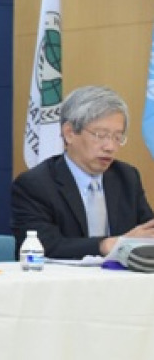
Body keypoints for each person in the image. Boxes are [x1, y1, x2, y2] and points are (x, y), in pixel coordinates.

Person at [11, 85, 154, 259]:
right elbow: (43, 246)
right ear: (69, 133)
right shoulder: (35, 185)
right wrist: (106, 245)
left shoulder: (126, 177)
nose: (110, 147)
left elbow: (147, 232)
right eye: (100, 135)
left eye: (118, 137)